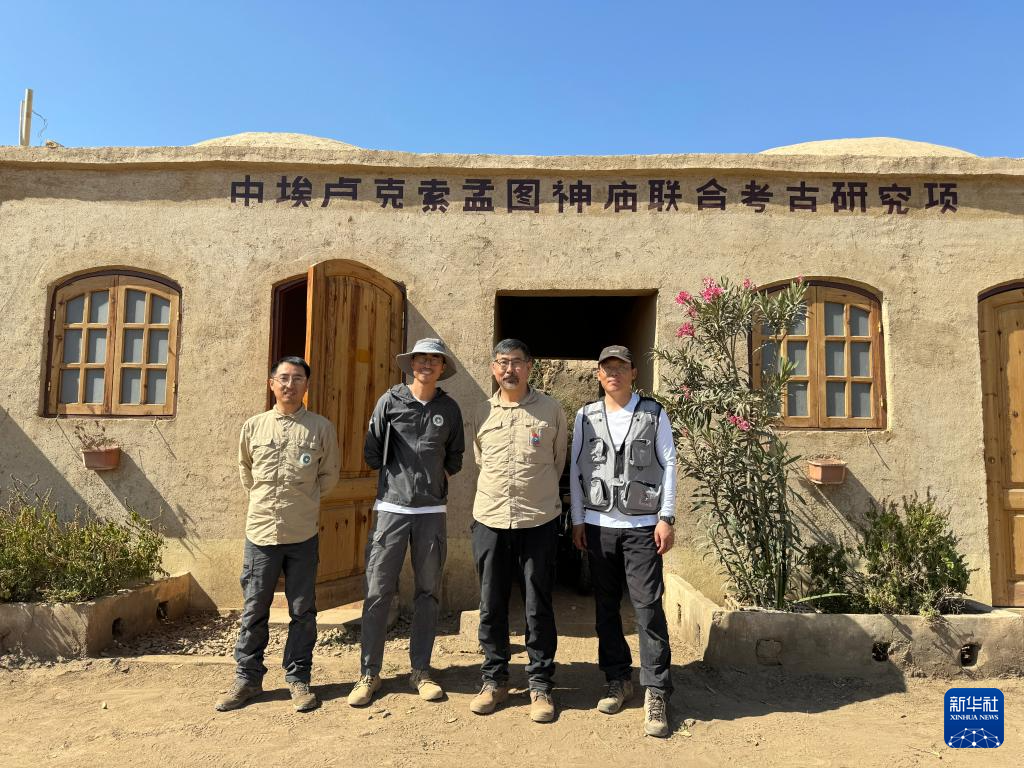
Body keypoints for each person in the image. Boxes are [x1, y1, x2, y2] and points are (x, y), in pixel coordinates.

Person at [215, 356, 340, 713]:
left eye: (297, 378)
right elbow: (246, 470)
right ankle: (247, 679)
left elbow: (329, 476)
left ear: (306, 386)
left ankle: (298, 679)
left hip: (302, 533)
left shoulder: (320, 428)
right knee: (254, 609)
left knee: (303, 611)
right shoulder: (254, 427)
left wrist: (302, 502)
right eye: (283, 378)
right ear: (272, 384)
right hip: (261, 534)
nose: (290, 384)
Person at [347, 338, 465, 706]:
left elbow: (456, 457)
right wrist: (398, 482)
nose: (427, 364)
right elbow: (371, 451)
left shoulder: (450, 408)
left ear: (442, 368)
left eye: (434, 359)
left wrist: (433, 482)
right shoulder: (390, 401)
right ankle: (369, 673)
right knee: (378, 591)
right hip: (391, 511)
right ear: (411, 364)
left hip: (431, 514)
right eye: (420, 359)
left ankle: (421, 671)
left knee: (428, 593)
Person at [569, 345, 677, 738]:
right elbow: (576, 469)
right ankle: (617, 678)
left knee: (647, 608)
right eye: (606, 368)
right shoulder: (585, 416)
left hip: (643, 526)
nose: (613, 373)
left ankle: (656, 690)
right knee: (605, 608)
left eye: (620, 367)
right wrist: (578, 519)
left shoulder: (654, 413)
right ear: (598, 375)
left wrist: (666, 517)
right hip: (599, 526)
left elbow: (670, 464)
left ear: (633, 373)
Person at [468, 339, 567, 723]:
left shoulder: (550, 410)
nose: (509, 370)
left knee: (537, 605)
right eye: (502, 362)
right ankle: (494, 680)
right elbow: (480, 460)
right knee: (491, 603)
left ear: (530, 366)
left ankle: (540, 683)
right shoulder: (481, 412)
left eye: (517, 362)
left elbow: (557, 461)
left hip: (538, 520)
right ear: (494, 368)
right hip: (490, 518)